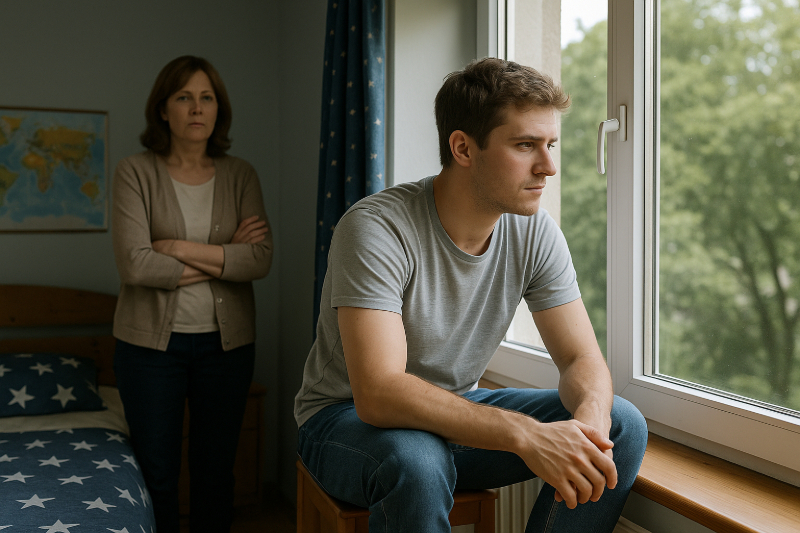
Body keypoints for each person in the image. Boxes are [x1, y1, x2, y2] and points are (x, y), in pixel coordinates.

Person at [294, 57, 647, 532]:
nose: (549, 167)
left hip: (454, 415)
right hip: (344, 422)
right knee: (417, 459)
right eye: (525, 145)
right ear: (462, 147)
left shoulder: (535, 233)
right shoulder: (376, 228)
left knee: (622, 422)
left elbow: (582, 358)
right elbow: (378, 393)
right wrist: (527, 435)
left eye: (551, 144)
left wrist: (589, 430)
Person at [111, 55, 272, 533]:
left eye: (207, 98)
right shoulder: (133, 173)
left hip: (227, 347)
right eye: (184, 97)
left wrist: (175, 247)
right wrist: (225, 258)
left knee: (215, 471)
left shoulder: (241, 174)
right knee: (157, 472)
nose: (197, 108)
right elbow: (135, 264)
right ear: (163, 109)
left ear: (218, 110)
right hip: (148, 350)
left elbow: (259, 260)